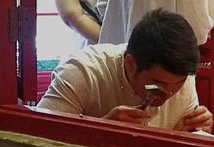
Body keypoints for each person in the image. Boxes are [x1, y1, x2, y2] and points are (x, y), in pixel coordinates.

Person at [37, 8, 212, 132]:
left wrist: (188, 132)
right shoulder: (83, 72)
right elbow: (37, 137)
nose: (169, 93)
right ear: (130, 64)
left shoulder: (181, 74)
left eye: (179, 83)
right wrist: (100, 129)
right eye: (158, 83)